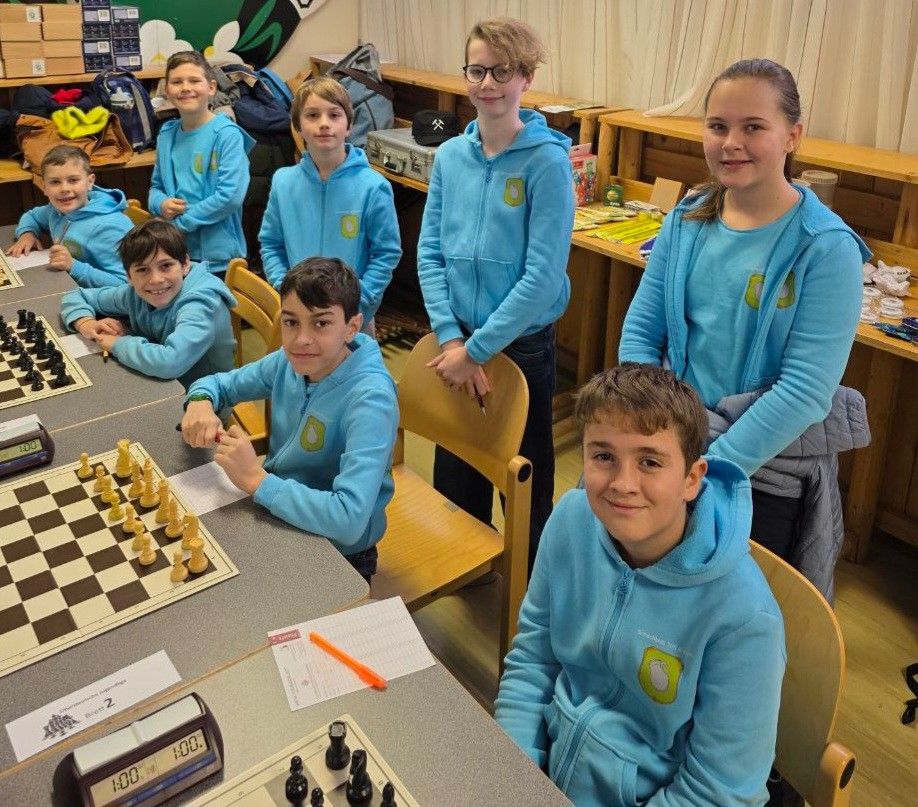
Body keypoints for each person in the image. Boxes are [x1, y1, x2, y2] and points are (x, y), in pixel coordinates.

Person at [495, 363, 785, 807]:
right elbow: (533, 660)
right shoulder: (571, 520)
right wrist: (513, 777)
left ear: (692, 479)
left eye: (649, 461)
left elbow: (718, 791)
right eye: (603, 456)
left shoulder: (744, 617)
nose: (622, 484)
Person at [618, 58, 870, 561]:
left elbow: (804, 391)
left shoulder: (826, 248)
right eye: (718, 126)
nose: (731, 142)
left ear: (792, 135)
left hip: (755, 468)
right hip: (671, 443)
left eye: (753, 126)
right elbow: (642, 333)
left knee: (725, 622)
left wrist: (707, 469)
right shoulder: (687, 219)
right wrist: (656, 441)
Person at [417, 17, 574, 572]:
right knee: (458, 460)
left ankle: (534, 583)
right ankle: (468, 567)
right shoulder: (452, 158)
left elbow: (542, 278)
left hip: (520, 347)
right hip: (455, 339)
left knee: (522, 469)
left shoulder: (547, 162)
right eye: (477, 70)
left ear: (525, 77)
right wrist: (451, 337)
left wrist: (476, 351)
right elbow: (430, 254)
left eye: (501, 71)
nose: (488, 83)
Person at [180, 257, 398, 583]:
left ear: (352, 327)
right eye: (291, 322)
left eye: (321, 323)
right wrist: (199, 401)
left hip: (341, 552)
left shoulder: (370, 400)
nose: (301, 340)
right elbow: (220, 384)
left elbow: (349, 520)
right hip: (278, 509)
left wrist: (257, 481)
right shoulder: (288, 361)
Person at [259, 75, 401, 330]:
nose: (324, 124)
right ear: (298, 126)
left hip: (352, 318)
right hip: (298, 314)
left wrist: (360, 303)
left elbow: (386, 253)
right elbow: (271, 243)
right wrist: (285, 291)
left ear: (348, 126)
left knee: (353, 369)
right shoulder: (283, 182)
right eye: (312, 115)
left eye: (334, 115)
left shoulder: (373, 187)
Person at [60, 218, 236, 389]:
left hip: (205, 401)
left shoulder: (200, 303)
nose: (156, 279)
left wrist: (116, 344)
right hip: (160, 384)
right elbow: (77, 296)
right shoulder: (133, 293)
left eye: (166, 266)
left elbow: (170, 362)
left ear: (185, 265)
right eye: (143, 270)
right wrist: (85, 323)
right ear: (129, 277)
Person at [148, 50, 254, 274]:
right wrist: (160, 204)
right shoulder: (166, 135)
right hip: (176, 254)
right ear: (167, 91)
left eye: (194, 80)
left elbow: (230, 197)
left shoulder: (227, 134)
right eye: (177, 82)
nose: (186, 87)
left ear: (212, 88)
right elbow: (156, 187)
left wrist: (179, 225)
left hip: (219, 259)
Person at [8, 145, 132, 287]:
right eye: (55, 182)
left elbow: (127, 285)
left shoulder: (109, 228)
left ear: (90, 182)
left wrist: (73, 266)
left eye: (73, 180)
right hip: (68, 286)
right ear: (44, 186)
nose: (64, 189)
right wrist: (27, 233)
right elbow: (32, 216)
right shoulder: (55, 209)